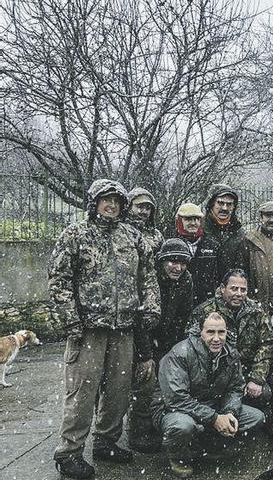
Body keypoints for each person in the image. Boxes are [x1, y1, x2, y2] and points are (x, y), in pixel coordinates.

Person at [49, 179, 160, 479]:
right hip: (88, 330)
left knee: (119, 391)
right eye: (105, 200)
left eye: (116, 201)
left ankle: (105, 441)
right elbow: (58, 280)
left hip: (124, 327)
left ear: (123, 206)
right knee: (82, 393)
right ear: (94, 203)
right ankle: (69, 452)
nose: (111, 205)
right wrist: (70, 319)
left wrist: (150, 308)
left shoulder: (132, 237)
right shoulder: (76, 234)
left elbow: (148, 276)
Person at [152, 312, 265, 478]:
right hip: (173, 410)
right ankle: (179, 457)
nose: (217, 338)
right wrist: (214, 419)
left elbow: (235, 388)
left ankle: (206, 447)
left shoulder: (231, 354)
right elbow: (176, 399)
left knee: (256, 417)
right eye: (210, 332)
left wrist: (229, 413)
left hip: (211, 406)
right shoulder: (180, 353)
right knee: (182, 426)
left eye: (221, 332)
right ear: (200, 332)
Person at [129, 238, 195, 454]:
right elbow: (140, 322)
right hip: (143, 337)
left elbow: (183, 317)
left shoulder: (186, 280)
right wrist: (146, 355)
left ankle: (161, 425)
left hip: (168, 338)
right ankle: (138, 431)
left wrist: (173, 352)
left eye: (183, 262)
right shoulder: (150, 280)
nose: (178, 267)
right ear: (161, 262)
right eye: (172, 262)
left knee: (170, 380)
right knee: (146, 382)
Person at [191, 270, 273, 409]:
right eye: (234, 289)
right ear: (223, 288)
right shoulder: (205, 311)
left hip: (246, 372)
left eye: (243, 290)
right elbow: (193, 345)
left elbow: (267, 345)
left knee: (265, 393)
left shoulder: (256, 311)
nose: (239, 294)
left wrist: (256, 378)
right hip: (215, 375)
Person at [174, 203, 220, 306]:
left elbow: (219, 276)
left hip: (207, 303)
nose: (193, 223)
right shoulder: (172, 245)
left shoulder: (213, 246)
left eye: (196, 219)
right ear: (179, 221)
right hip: (179, 303)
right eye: (188, 219)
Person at [203, 184, 245, 278]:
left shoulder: (240, 234)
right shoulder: (199, 231)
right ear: (211, 204)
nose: (225, 208)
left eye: (229, 204)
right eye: (220, 203)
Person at [126, 187, 164, 256]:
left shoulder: (156, 235)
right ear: (129, 207)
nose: (144, 211)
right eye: (140, 207)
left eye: (148, 208)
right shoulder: (121, 230)